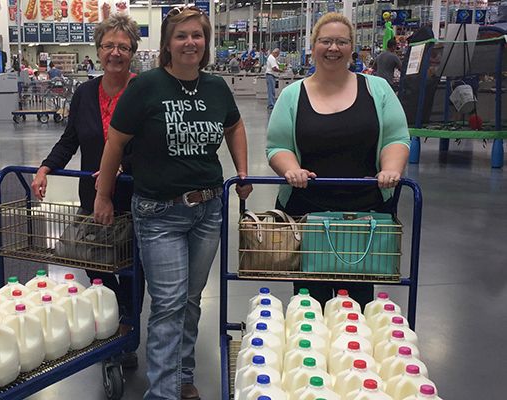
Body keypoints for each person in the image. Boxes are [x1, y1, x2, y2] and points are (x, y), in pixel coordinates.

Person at [93, 6, 252, 399]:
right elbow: (115, 142)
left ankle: (182, 376)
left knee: (192, 300)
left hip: (208, 210)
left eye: (197, 35)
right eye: (181, 36)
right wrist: (103, 194)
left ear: (206, 42)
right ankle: (162, 392)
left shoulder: (216, 87)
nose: (190, 42)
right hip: (159, 213)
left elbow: (234, 126)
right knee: (167, 304)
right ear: (167, 44)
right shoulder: (146, 86)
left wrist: (243, 171)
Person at [266, 12, 410, 307]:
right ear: (313, 45)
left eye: (342, 42)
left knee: (357, 304)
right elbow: (277, 146)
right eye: (326, 41)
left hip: (366, 215)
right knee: (310, 302)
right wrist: (291, 168)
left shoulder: (377, 90)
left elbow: (397, 137)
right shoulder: (293, 95)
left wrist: (391, 169)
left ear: (351, 48)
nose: (333, 48)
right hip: (307, 215)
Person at [30, 14, 143, 368]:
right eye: (108, 45)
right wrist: (46, 167)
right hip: (92, 199)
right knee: (98, 266)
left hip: (135, 197)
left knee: (133, 269)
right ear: (97, 50)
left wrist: (122, 169)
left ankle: (127, 330)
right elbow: (70, 140)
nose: (115, 52)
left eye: (122, 47)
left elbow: (152, 146)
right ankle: (112, 322)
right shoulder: (83, 94)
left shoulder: (144, 90)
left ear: (132, 52)